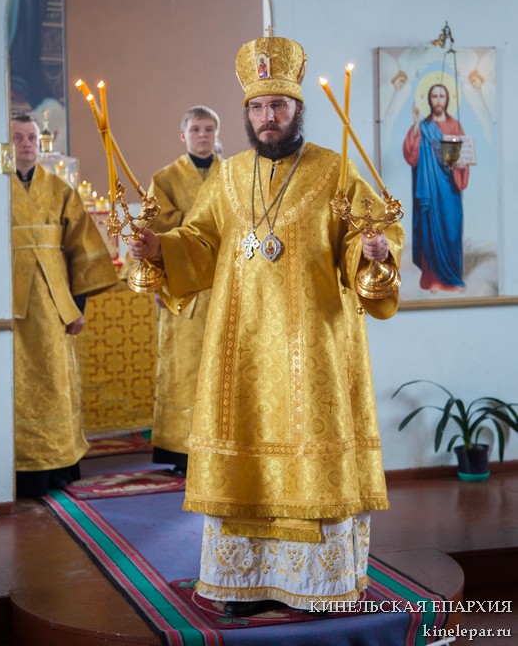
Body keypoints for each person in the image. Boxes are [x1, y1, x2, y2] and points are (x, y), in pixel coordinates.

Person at [128, 36, 403, 615]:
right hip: (243, 350)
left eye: (277, 104)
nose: (267, 116)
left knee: (310, 457)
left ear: (297, 108)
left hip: (315, 350)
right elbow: (200, 242)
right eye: (256, 107)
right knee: (246, 461)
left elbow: (365, 237)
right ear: (246, 114)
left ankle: (316, 586)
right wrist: (158, 246)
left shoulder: (334, 170)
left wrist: (374, 250)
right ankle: (244, 583)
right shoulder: (228, 176)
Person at [11, 113, 117, 498]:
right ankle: (13, 467)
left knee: (54, 381)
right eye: (18, 138)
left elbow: (82, 250)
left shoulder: (59, 190)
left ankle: (57, 465)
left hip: (53, 302)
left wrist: (78, 306)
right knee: (13, 383)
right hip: (7, 303)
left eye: (31, 137)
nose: (27, 144)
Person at [148, 105, 221, 476]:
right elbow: (155, 233)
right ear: (183, 135)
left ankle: (223, 443)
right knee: (186, 368)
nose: (202, 135)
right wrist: (158, 281)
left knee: (224, 367)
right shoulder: (164, 179)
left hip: (224, 284)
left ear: (217, 133)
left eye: (209, 129)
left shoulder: (233, 173)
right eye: (195, 129)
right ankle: (181, 449)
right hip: (183, 287)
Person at [403, 83, 469, 293]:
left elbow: (464, 156)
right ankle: (432, 280)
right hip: (429, 190)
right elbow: (411, 155)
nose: (438, 100)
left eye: (442, 96)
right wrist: (416, 122)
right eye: (434, 96)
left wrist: (462, 164)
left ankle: (453, 279)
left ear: (447, 99)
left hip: (450, 190)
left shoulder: (455, 126)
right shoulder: (423, 126)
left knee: (451, 229)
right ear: (429, 100)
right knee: (430, 231)